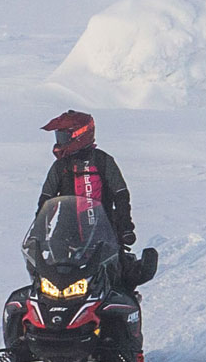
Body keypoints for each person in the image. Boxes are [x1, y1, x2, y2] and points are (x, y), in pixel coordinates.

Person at [39, 110, 157, 288]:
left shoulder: (103, 161)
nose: (59, 142)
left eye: (64, 136)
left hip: (103, 229)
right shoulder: (60, 166)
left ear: (80, 135)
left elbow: (121, 195)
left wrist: (126, 227)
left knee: (121, 277)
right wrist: (40, 229)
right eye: (59, 136)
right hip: (66, 231)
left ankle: (121, 311)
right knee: (46, 276)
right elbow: (47, 199)